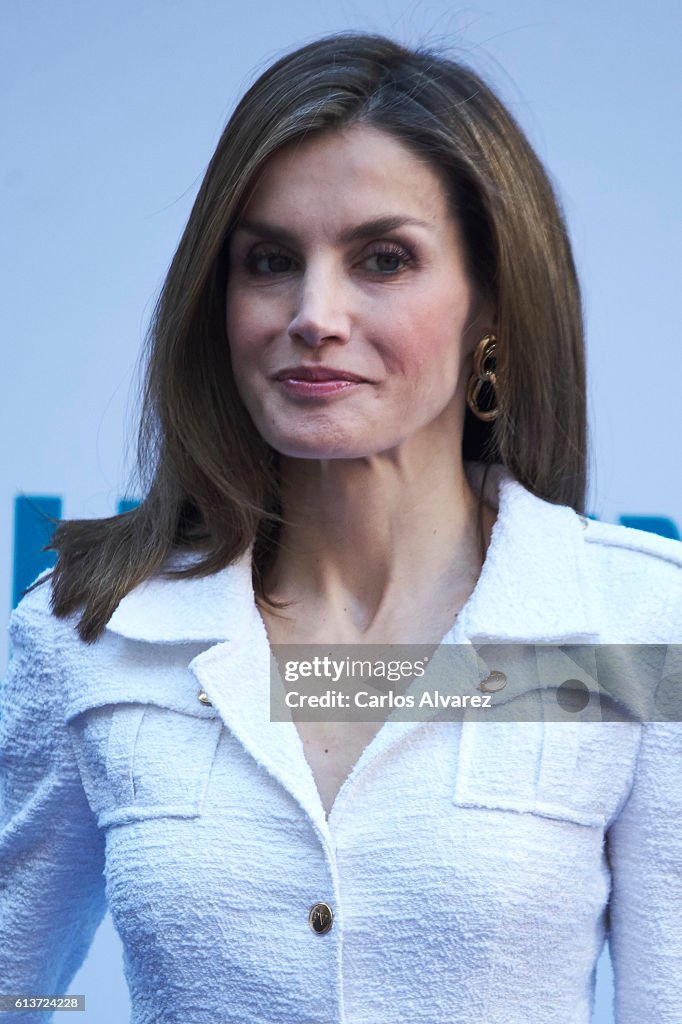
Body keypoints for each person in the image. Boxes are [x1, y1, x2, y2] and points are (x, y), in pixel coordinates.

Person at [1, 32, 681, 1024]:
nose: (314, 314)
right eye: (270, 261)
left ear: (489, 305)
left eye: (383, 259)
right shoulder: (88, 635)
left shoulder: (633, 624)